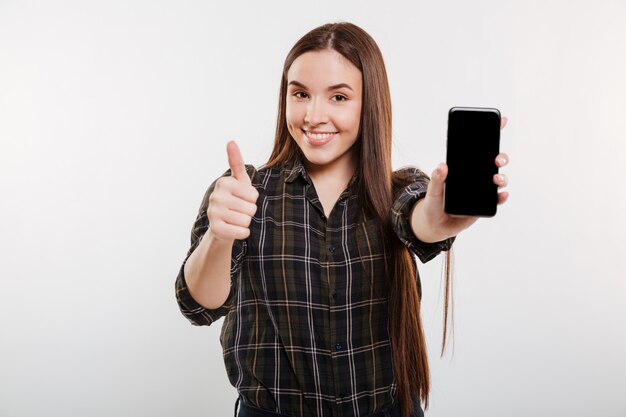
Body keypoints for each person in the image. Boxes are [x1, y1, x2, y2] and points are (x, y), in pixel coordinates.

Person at [175, 22, 509, 417]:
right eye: (300, 93)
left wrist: (436, 218)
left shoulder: (400, 188)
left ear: (369, 104)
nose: (314, 115)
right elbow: (198, 306)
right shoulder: (243, 190)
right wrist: (220, 235)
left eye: (338, 96)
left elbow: (417, 220)